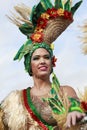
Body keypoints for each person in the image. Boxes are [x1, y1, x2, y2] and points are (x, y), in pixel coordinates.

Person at [0, 0, 87, 130]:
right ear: (29, 66)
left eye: (46, 57)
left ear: (52, 63)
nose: (42, 61)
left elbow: (74, 103)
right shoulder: (15, 101)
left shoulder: (65, 91)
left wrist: (74, 111)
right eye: (36, 58)